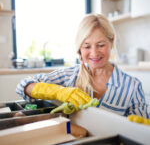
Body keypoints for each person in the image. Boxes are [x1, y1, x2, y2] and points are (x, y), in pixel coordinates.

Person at [16, 14, 150, 119]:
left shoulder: (132, 87)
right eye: (87, 46)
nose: (94, 53)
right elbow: (23, 86)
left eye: (101, 45)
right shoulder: (70, 76)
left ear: (111, 42)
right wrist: (58, 91)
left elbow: (142, 134)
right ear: (80, 48)